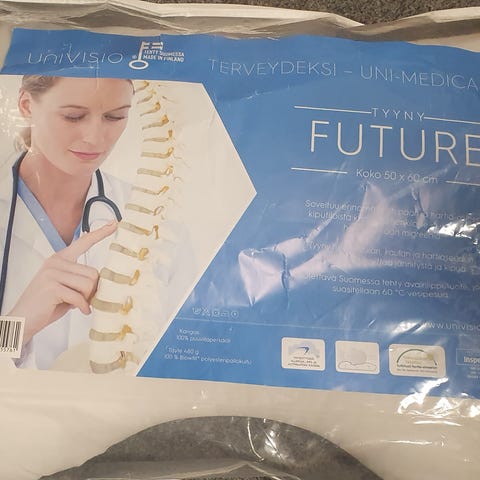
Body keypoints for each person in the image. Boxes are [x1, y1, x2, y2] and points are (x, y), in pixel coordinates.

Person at [0, 75, 134, 369]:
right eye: (73, 116)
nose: (95, 139)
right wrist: (17, 325)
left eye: (115, 117)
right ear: (26, 105)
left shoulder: (151, 217)